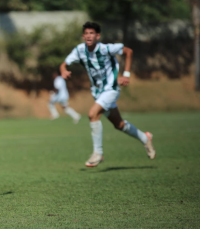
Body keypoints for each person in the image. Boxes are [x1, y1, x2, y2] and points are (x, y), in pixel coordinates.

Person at [59, 22, 155, 167]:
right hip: (97, 92)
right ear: (83, 36)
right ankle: (145, 138)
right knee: (119, 124)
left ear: (98, 36)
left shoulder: (106, 48)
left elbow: (128, 52)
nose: (88, 36)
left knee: (93, 114)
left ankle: (98, 153)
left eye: (92, 33)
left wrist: (126, 75)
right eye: (86, 33)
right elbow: (64, 64)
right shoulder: (79, 50)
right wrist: (63, 71)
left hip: (111, 89)